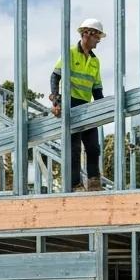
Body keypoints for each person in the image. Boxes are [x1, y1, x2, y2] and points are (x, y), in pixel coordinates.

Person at [50, 17, 105, 192]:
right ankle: (75, 184)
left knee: (93, 147)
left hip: (87, 107)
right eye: (97, 36)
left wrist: (103, 109)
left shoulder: (95, 61)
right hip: (71, 104)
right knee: (74, 149)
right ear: (87, 34)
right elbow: (55, 76)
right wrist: (56, 101)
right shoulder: (70, 53)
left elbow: (97, 89)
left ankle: (94, 182)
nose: (99, 40)